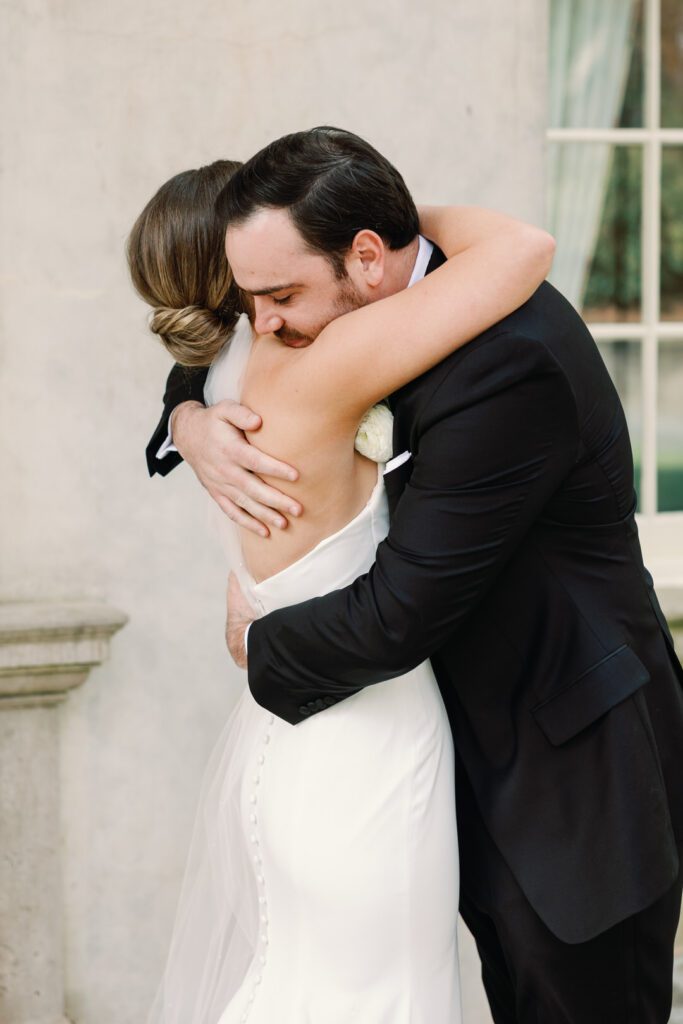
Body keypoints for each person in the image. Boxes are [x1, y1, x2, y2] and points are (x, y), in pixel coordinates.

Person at [149, 127, 683, 1024]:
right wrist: (189, 419)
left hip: (570, 774)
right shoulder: (363, 304)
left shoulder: (508, 356)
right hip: (449, 752)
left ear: (367, 258)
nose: (267, 327)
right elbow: (224, 337)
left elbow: (401, 611)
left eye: (281, 296)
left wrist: (261, 639)